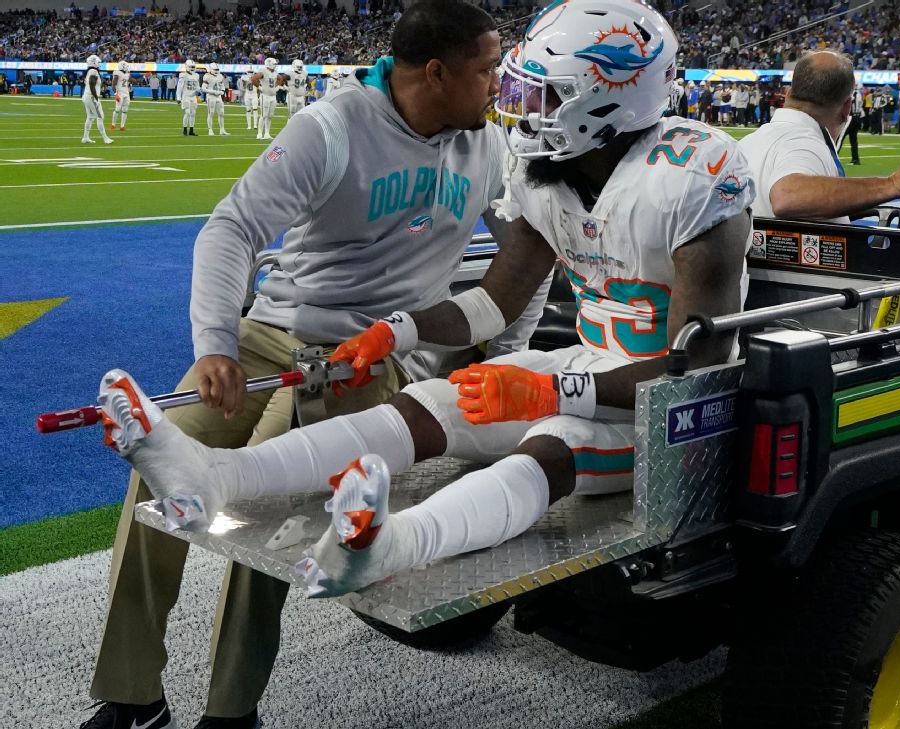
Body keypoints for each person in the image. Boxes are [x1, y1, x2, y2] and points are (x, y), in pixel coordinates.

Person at [95, 0, 751, 645]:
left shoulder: (693, 177)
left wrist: (554, 391)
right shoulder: (545, 173)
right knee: (433, 400)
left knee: (554, 441)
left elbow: (693, 368)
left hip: (664, 410)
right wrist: (399, 331)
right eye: (516, 81)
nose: (517, 102)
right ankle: (216, 477)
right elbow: (494, 302)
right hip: (591, 365)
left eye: (542, 93)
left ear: (611, 100)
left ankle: (387, 547)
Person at [76, 2, 545, 727]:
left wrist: (508, 352)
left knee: (265, 497)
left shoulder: (489, 149)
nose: (498, 86)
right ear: (436, 72)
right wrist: (215, 343)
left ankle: (231, 709)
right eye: (487, 70)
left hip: (371, 358)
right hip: (270, 333)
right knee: (156, 465)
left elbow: (525, 260)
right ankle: (132, 695)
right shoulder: (332, 128)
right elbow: (231, 228)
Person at [738, 51, 900, 223]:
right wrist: (892, 184)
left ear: (787, 94)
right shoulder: (802, 141)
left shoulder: (746, 143)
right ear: (847, 107)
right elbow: (788, 196)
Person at [81, 54, 113, 145]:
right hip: (91, 96)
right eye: (98, 62)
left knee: (90, 117)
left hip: (87, 96)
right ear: (94, 62)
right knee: (100, 116)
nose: (99, 64)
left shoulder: (90, 71)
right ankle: (105, 138)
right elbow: (91, 84)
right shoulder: (93, 71)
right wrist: (96, 97)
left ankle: (85, 137)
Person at [250, 57, 280, 140]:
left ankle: (267, 133)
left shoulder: (275, 72)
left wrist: (277, 86)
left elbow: (280, 78)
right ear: (269, 64)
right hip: (265, 96)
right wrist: (259, 87)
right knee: (263, 115)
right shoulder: (263, 70)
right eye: (274, 64)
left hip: (273, 96)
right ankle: (259, 133)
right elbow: (253, 79)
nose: (275, 65)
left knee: (270, 116)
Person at [203, 63, 231, 136]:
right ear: (211, 69)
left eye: (217, 69)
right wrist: (214, 92)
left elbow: (222, 85)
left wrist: (222, 90)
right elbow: (203, 88)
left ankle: (222, 129)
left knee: (221, 113)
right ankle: (210, 130)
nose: (217, 71)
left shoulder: (220, 76)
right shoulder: (207, 76)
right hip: (211, 96)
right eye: (215, 69)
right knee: (211, 113)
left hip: (218, 96)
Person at [178, 59, 201, 136]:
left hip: (193, 96)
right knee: (187, 113)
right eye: (191, 66)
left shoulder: (196, 75)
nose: (192, 68)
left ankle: (191, 130)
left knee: (193, 113)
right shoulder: (183, 75)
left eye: (193, 67)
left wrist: (199, 91)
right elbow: (179, 87)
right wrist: (178, 98)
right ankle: (185, 129)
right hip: (186, 96)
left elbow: (197, 86)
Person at [111, 61, 132, 131]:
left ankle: (122, 126)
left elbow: (133, 80)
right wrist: (115, 94)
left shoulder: (127, 74)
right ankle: (113, 124)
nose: (127, 67)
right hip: (120, 93)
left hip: (126, 93)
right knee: (117, 109)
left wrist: (144, 76)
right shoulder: (117, 73)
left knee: (125, 110)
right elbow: (113, 85)